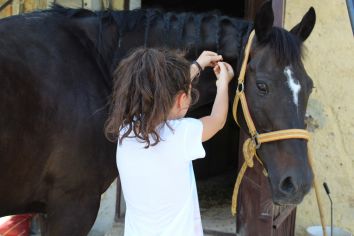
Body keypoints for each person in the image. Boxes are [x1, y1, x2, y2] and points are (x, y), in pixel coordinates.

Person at [104, 48, 234, 236]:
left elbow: (160, 91)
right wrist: (223, 84)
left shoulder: (126, 130)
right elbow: (217, 120)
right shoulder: (180, 134)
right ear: (182, 100)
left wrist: (197, 65)